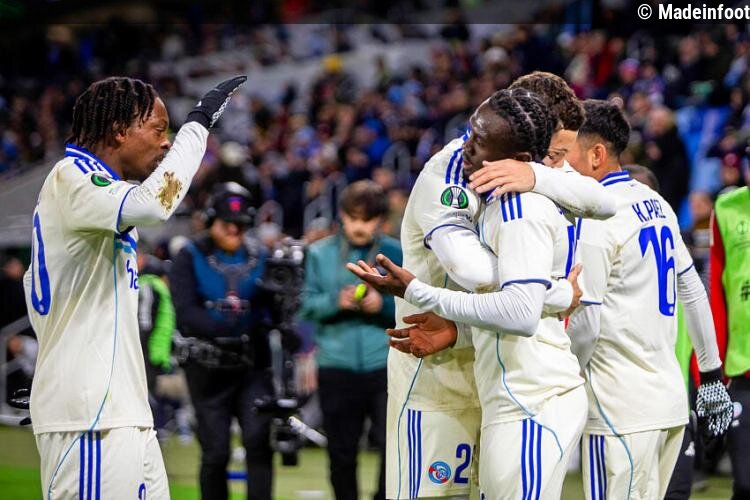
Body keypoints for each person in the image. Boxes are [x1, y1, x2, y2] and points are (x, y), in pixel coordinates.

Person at [349, 89, 591, 499]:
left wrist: (531, 290)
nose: (466, 144)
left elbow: (603, 200)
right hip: (436, 379)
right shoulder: (446, 175)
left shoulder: (528, 193)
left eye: (561, 156)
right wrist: (552, 292)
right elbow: (473, 272)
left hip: (494, 377)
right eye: (471, 131)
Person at [23, 75, 245, 498]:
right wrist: (197, 124)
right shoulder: (73, 176)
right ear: (119, 130)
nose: (166, 142)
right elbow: (155, 204)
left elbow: (37, 284)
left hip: (121, 412)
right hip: (92, 415)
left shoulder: (99, 198)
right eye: (158, 129)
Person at [564, 100, 732, 499]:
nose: (561, 165)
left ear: (596, 154)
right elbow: (692, 289)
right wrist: (710, 373)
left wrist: (564, 376)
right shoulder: (657, 203)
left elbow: (587, 321)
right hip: (669, 403)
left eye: (567, 151)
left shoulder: (596, 216)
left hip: (618, 406)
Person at [169, 181, 274, 500]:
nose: (234, 229)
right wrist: (231, 326)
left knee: (258, 442)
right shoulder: (189, 255)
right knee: (215, 451)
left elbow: (272, 308)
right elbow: (186, 312)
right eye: (227, 223)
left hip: (252, 364)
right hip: (207, 367)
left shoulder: (261, 255)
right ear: (211, 220)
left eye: (240, 224)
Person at [299, 180, 402, 500]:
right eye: (353, 217)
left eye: (367, 219)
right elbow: (304, 306)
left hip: (386, 363)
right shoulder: (318, 253)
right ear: (341, 216)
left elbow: (416, 306)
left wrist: (382, 305)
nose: (359, 226)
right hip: (336, 364)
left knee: (393, 449)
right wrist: (336, 301)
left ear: (380, 219)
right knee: (341, 453)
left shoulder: (397, 252)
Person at [709, 158, 750, 499]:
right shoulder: (726, 208)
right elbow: (718, 295)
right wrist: (714, 370)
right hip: (741, 367)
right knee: (746, 482)